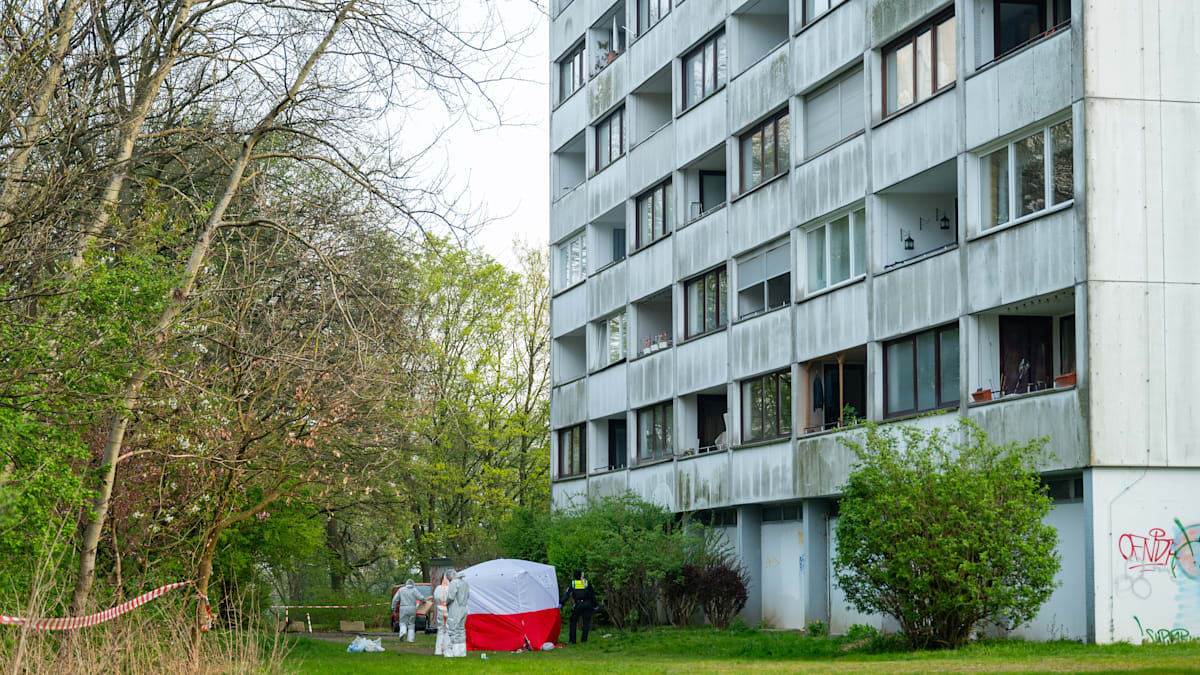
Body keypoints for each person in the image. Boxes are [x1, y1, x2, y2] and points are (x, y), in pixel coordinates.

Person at [559, 570, 599, 644]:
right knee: (586, 622)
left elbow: (567, 594)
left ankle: (572, 641)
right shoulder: (586, 582)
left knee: (573, 622)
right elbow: (592, 594)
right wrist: (595, 604)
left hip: (577, 604)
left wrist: (561, 602)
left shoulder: (573, 583)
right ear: (581, 575)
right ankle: (584, 640)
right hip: (587, 604)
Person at [443, 568, 470, 658]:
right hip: (464, 608)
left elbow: (451, 596)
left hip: (455, 608)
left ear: (450, 576)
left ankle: (450, 652)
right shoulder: (465, 583)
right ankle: (461, 652)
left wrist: (446, 602)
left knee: (452, 629)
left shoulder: (454, 583)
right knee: (461, 630)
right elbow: (468, 596)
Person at [432, 572, 450, 656]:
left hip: (440, 610)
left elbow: (435, 597)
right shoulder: (450, 588)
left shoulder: (438, 588)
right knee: (448, 630)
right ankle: (447, 649)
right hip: (448, 609)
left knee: (440, 630)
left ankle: (438, 650)